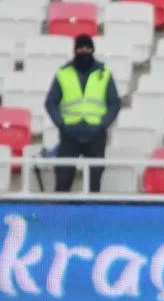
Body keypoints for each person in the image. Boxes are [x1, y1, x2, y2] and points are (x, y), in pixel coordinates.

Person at [44, 34, 121, 193]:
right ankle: (61, 209)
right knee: (63, 180)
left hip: (96, 133)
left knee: (94, 182)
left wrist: (103, 125)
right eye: (80, 48)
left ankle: (92, 209)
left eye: (87, 48)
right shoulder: (63, 73)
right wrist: (61, 124)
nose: (84, 51)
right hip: (70, 133)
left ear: (93, 50)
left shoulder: (104, 73)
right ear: (75, 50)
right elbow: (50, 102)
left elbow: (115, 102)